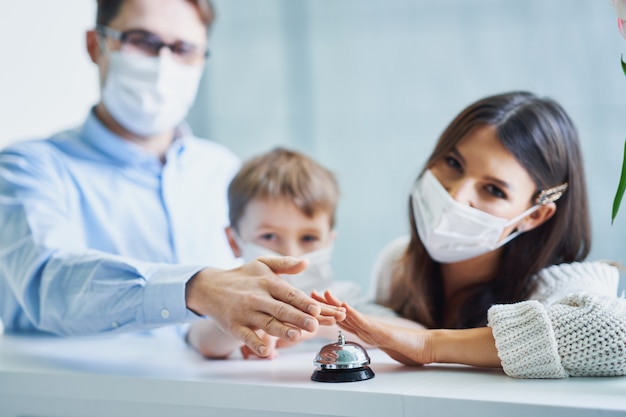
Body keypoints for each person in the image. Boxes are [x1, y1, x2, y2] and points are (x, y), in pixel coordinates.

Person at [0, 0, 345, 358]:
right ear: (95, 45)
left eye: (184, 49)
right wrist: (193, 288)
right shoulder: (29, 168)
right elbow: (47, 285)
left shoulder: (222, 170)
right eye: (141, 40)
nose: (163, 64)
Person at [315, 91, 626, 379]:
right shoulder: (398, 262)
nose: (456, 196)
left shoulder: (561, 282)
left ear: (534, 216)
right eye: (453, 163)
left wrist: (429, 345)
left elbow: (616, 334)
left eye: (493, 190)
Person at [187, 147, 365, 359]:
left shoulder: (343, 298)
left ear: (330, 242)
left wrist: (310, 325)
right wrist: (248, 324)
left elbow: (406, 332)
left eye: (309, 238)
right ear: (234, 241)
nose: (291, 254)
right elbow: (198, 338)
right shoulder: (229, 299)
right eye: (269, 237)